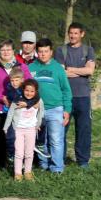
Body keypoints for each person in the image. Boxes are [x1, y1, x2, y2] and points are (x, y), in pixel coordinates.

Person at [0, 40, 32, 168]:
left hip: (18, 108)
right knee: (0, 135)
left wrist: (24, 100)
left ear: (13, 51)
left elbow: (30, 85)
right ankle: (1, 163)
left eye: (8, 50)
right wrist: (1, 98)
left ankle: (18, 163)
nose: (6, 52)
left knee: (18, 136)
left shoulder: (22, 66)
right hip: (0, 108)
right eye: (3, 50)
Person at [55, 22, 95, 169]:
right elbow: (61, 73)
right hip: (65, 97)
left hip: (83, 97)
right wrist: (81, 70)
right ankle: (60, 159)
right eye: (70, 33)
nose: (72, 36)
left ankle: (83, 161)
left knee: (84, 130)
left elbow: (90, 71)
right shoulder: (61, 50)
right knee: (61, 129)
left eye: (76, 33)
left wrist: (70, 69)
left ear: (82, 34)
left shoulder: (88, 50)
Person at [30, 38, 72, 174]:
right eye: (40, 51)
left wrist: (67, 109)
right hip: (37, 110)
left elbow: (66, 90)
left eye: (46, 51)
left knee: (55, 139)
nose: (43, 54)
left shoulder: (58, 68)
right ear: (37, 52)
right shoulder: (31, 68)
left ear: (51, 52)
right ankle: (43, 165)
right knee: (41, 140)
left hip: (55, 108)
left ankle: (57, 168)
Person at [4, 78, 44, 181]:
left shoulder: (39, 101)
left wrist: (38, 124)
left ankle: (27, 172)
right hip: (18, 129)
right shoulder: (17, 100)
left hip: (31, 129)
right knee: (19, 152)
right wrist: (6, 127)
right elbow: (10, 113)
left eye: (32, 91)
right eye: (27, 90)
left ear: (36, 92)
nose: (29, 93)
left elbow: (41, 113)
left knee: (29, 152)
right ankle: (17, 173)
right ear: (23, 90)